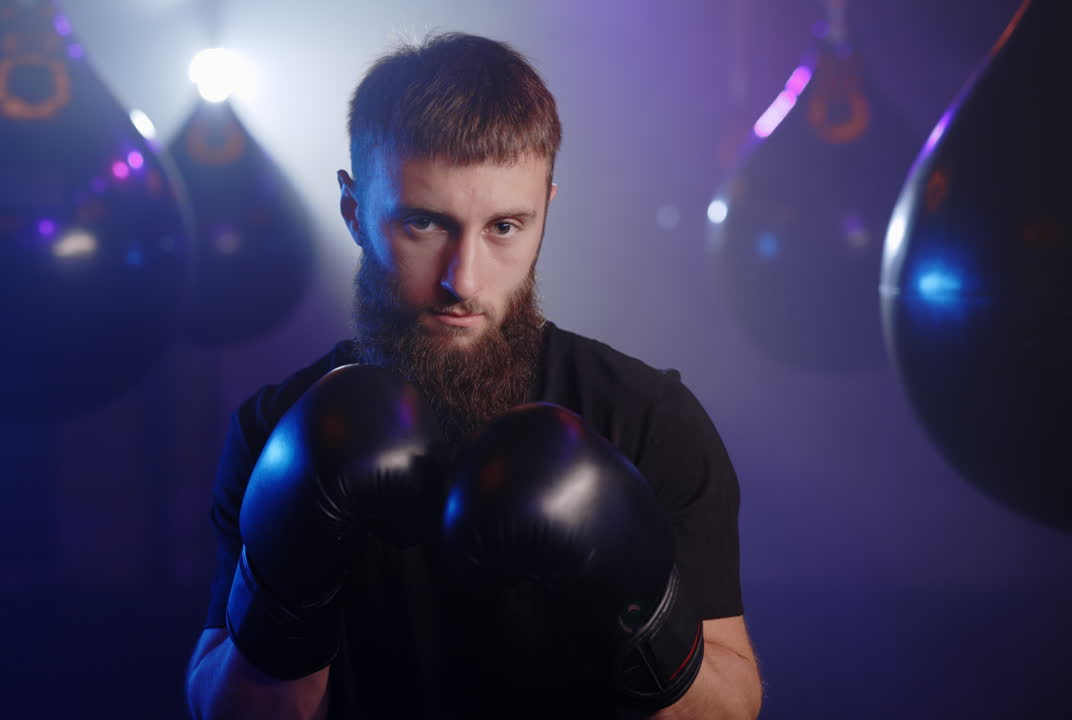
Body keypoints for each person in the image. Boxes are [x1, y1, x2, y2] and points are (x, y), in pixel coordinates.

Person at [185, 32, 763, 720]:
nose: (464, 279)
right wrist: (290, 586)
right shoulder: (276, 428)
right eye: (424, 224)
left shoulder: (645, 419)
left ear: (547, 208)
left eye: (506, 227)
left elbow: (732, 709)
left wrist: (634, 605)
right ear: (353, 210)